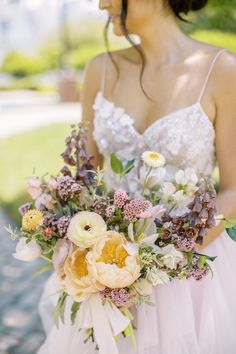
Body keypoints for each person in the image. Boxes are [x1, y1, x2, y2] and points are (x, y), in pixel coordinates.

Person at [38, 1, 236, 353]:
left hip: (191, 277)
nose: (101, 4)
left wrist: (163, 258)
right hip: (106, 276)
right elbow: (85, 180)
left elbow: (235, 189)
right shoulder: (100, 70)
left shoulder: (221, 70)